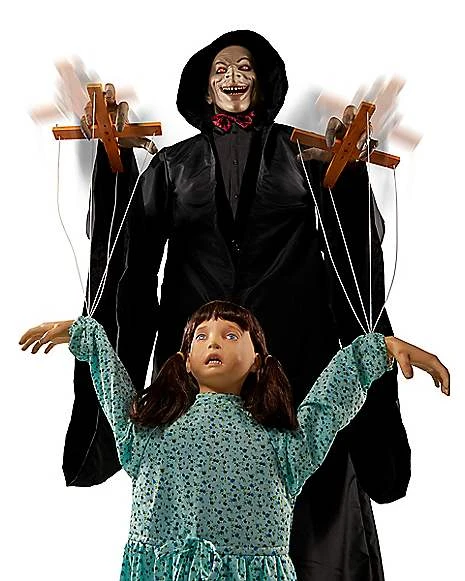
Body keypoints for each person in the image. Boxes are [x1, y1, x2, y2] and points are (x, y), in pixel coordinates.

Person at [64, 30, 410, 579]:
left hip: (295, 351)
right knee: (190, 483)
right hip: (197, 354)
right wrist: (114, 166)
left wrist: (350, 171)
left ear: (263, 81)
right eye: (220, 70)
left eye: (244, 68)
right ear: (204, 88)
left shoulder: (302, 155)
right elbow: (128, 253)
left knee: (306, 478)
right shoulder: (174, 165)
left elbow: (355, 239)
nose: (232, 78)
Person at [19, 300, 449, 581]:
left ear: (258, 359)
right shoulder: (149, 433)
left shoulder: (284, 443)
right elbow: (115, 393)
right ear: (186, 362)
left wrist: (376, 351)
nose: (213, 342)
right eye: (200, 336)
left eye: (230, 334)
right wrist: (89, 339)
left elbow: (326, 406)